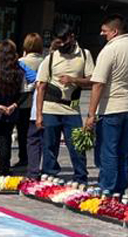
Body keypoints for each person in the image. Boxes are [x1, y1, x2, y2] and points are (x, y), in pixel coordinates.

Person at [84, 14, 128, 195]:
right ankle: (120, 188)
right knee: (123, 151)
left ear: (115, 31)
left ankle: (106, 188)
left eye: (105, 31)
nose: (102, 34)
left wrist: (91, 114)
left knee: (108, 150)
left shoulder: (110, 49)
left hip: (112, 107)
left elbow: (98, 83)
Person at [36, 25, 93, 183]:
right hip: (50, 108)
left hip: (72, 109)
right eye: (58, 42)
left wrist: (73, 80)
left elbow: (92, 80)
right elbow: (41, 86)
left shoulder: (85, 55)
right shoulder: (51, 58)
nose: (61, 45)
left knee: (77, 146)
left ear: (72, 37)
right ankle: (50, 174)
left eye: (63, 41)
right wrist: (39, 114)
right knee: (49, 146)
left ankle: (81, 177)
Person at [0, 41, 34, 176]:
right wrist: (13, 105)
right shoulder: (19, 71)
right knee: (5, 143)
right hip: (10, 112)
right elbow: (25, 92)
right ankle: (3, 173)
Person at [15, 33, 44, 168]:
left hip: (24, 101)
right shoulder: (45, 61)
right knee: (37, 134)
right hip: (41, 102)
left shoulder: (21, 62)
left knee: (22, 132)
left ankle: (23, 158)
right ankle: (36, 159)